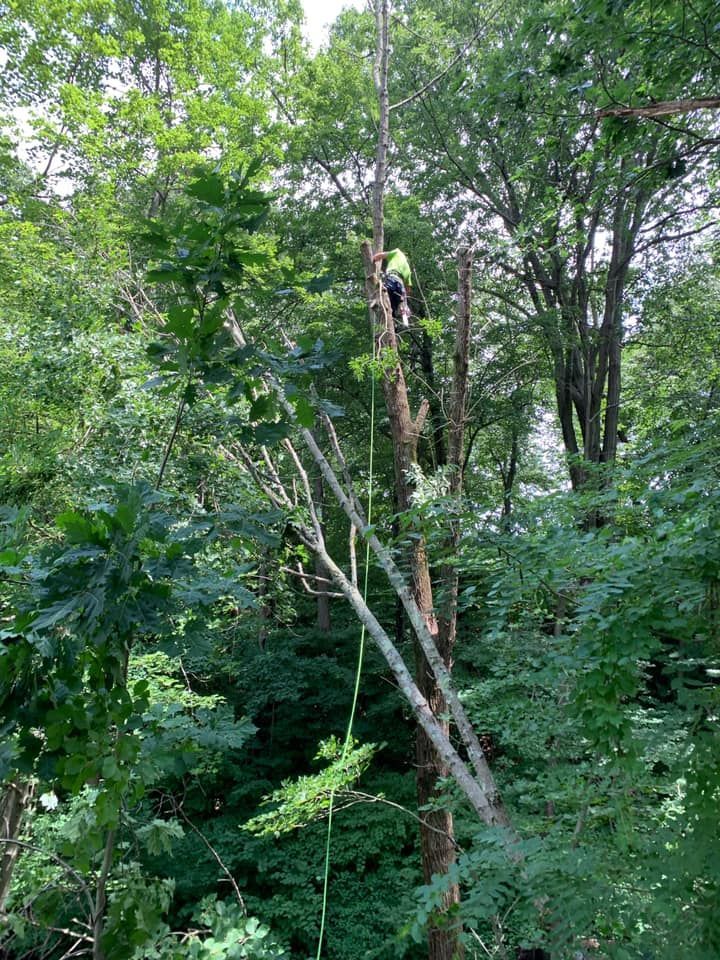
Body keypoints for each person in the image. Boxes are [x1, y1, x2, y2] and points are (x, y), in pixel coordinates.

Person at [372, 248, 412, 325]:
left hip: (392, 279)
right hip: (400, 287)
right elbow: (408, 288)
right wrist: (404, 301)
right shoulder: (407, 268)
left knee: (384, 296)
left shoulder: (397, 252)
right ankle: (393, 325)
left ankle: (385, 320)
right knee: (392, 308)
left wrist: (372, 261)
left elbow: (379, 256)